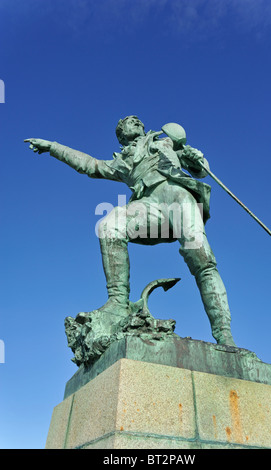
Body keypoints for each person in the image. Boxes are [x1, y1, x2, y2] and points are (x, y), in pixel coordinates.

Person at [24, 115, 236, 347]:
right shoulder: (121, 161)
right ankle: (117, 301)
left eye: (137, 119)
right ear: (121, 134)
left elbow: (200, 170)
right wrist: (54, 147)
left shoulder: (165, 141)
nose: (135, 120)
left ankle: (224, 334)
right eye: (128, 121)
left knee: (202, 259)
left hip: (177, 194)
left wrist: (196, 159)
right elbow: (88, 165)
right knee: (109, 225)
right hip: (148, 204)